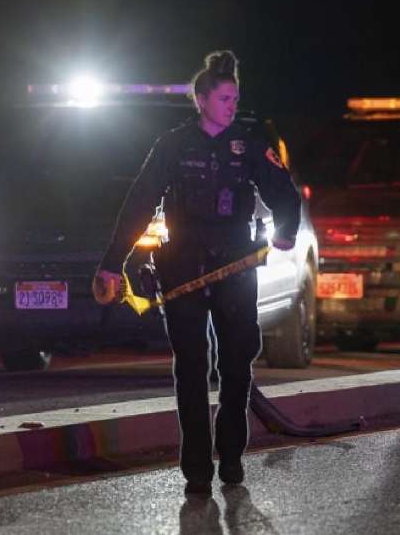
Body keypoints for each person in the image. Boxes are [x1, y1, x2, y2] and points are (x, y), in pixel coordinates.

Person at [93, 50, 301, 496]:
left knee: (237, 363)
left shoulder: (250, 141)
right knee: (191, 366)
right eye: (224, 98)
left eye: (235, 97)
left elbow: (284, 191)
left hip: (236, 265)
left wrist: (286, 229)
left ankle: (230, 458)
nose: (231, 105)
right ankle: (196, 469)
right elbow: (139, 202)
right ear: (201, 100)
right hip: (182, 265)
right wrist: (113, 263)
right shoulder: (172, 145)